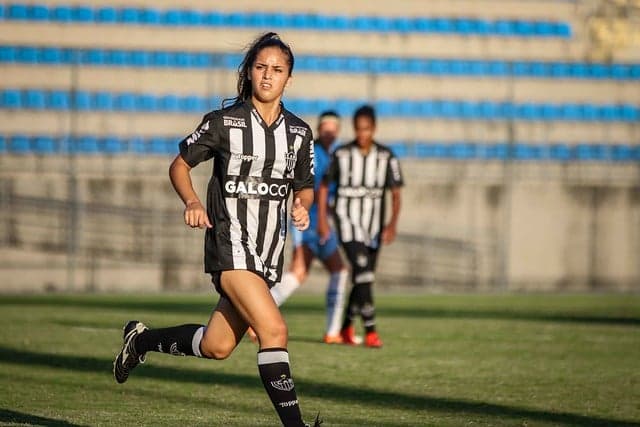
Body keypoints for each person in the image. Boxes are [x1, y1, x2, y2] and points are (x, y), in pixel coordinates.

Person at [112, 32, 321, 427]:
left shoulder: (299, 133)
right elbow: (179, 165)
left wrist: (302, 207)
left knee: (217, 346)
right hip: (230, 246)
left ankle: (140, 340)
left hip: (268, 254)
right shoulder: (224, 123)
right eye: (260, 67)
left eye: (277, 70)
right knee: (274, 329)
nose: (267, 76)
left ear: (288, 79)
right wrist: (191, 201)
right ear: (249, 71)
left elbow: (305, 187)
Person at [317, 105, 403, 349]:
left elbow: (396, 194)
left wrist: (391, 225)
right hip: (347, 223)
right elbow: (324, 187)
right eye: (358, 129)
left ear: (373, 129)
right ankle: (371, 330)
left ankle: (345, 326)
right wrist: (323, 221)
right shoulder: (342, 155)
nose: (362, 134)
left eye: (367, 129)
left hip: (374, 228)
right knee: (363, 273)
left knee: (363, 278)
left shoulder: (387, 156)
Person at [266, 111, 349, 344]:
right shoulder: (313, 152)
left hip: (322, 220)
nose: (330, 132)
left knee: (339, 271)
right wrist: (321, 222)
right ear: (320, 129)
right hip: (308, 220)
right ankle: (257, 317)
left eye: (334, 128)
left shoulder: (338, 154)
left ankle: (333, 332)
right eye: (326, 127)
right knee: (298, 272)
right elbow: (311, 189)